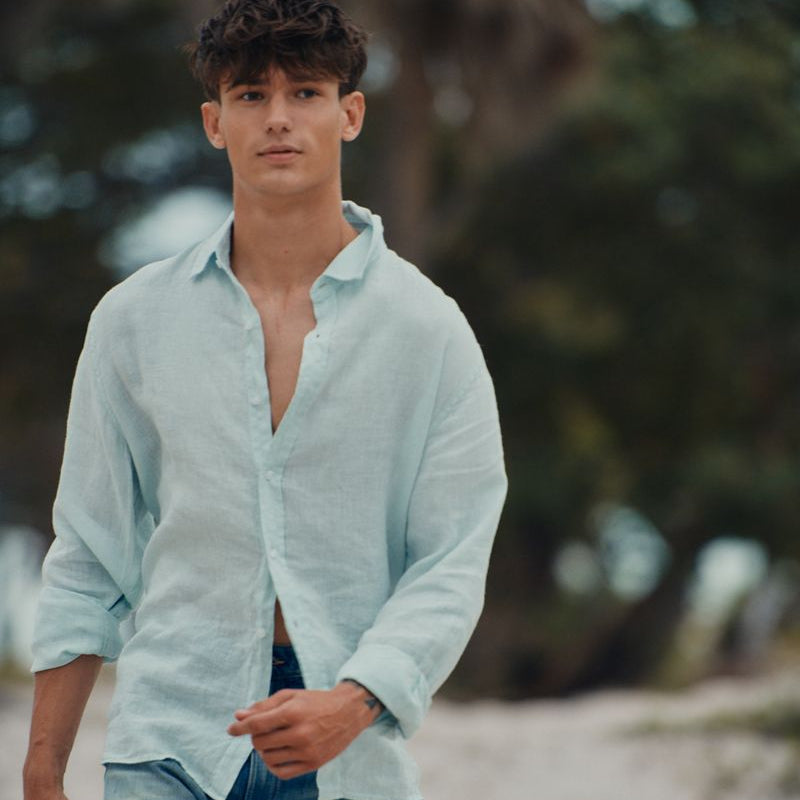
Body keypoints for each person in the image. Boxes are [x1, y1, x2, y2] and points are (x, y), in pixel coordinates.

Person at [22, 1, 508, 798]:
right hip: (169, 738)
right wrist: (43, 767)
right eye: (251, 96)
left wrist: (354, 705)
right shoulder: (135, 320)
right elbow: (88, 554)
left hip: (345, 750)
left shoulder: (427, 329)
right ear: (215, 123)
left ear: (350, 114)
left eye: (305, 93)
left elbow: (451, 562)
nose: (278, 118)